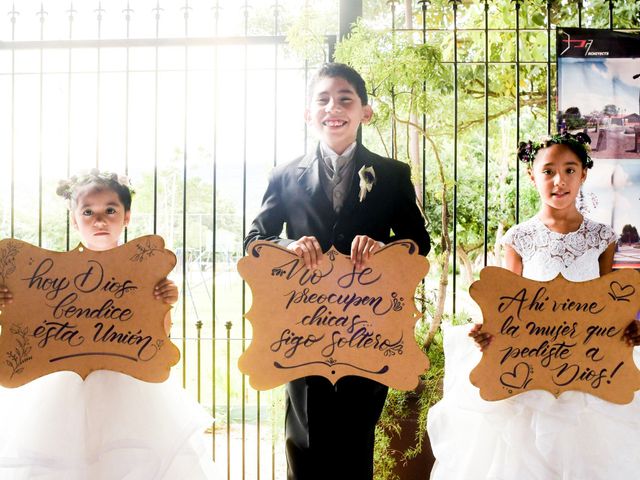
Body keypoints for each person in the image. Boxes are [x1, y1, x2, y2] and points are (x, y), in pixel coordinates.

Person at [244, 62, 430, 479]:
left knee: (356, 438)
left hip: (368, 330)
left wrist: (384, 249)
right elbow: (254, 242)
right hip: (302, 329)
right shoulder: (283, 177)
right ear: (309, 113)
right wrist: (289, 246)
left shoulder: (393, 175)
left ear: (365, 111)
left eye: (345, 99)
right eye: (323, 99)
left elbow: (419, 243)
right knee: (305, 440)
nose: (334, 107)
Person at [427, 132, 640, 480]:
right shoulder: (519, 238)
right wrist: (488, 331)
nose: (560, 180)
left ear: (583, 175)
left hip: (588, 371)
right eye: (548, 171)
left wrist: (627, 328)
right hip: (528, 373)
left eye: (570, 170)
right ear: (532, 176)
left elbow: (610, 302)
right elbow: (505, 306)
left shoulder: (602, 238)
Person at [0, 170, 216, 479]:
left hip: (129, 383)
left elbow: (159, 334)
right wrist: (11, 299)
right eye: (88, 212)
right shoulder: (44, 276)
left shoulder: (145, 274)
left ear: (126, 216)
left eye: (110, 210)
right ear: (75, 219)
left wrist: (163, 300)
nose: (99, 220)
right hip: (61, 383)